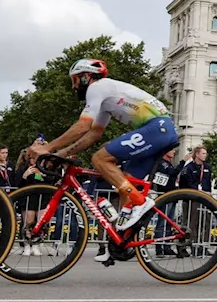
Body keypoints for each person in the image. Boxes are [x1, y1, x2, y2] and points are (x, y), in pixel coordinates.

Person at [30, 59, 175, 232]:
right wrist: (61, 154)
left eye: (75, 80)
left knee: (100, 159)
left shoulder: (96, 87)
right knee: (124, 182)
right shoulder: (105, 99)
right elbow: (94, 133)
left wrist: (47, 148)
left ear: (86, 77)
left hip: (156, 128)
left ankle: (141, 202)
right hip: (159, 130)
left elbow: (82, 125)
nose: (73, 86)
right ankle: (123, 240)